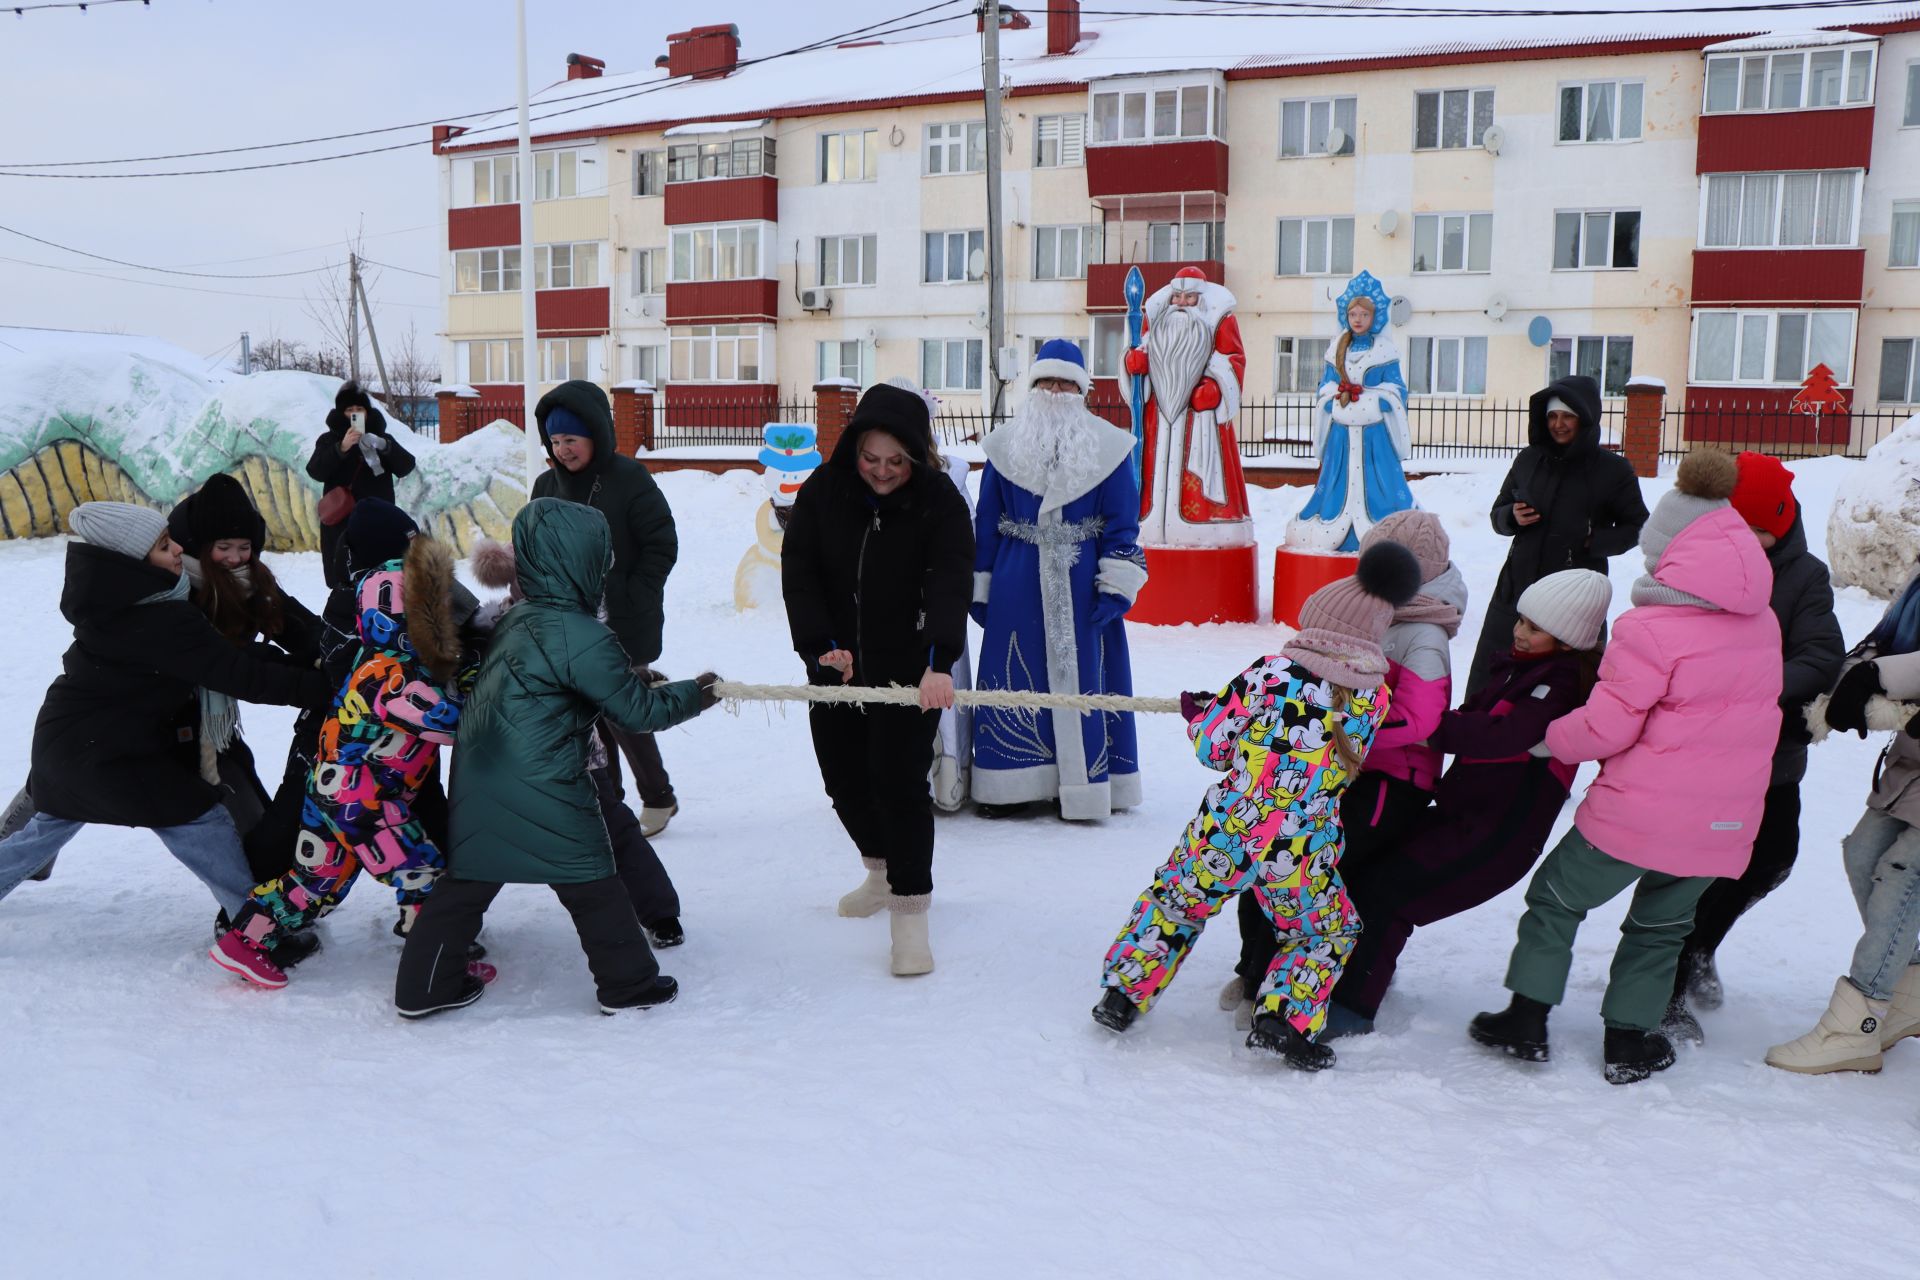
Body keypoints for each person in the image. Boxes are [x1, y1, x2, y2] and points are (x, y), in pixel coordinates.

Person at [1469, 451, 1781, 1085]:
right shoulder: (1763, 624)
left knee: (1555, 898)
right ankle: (1629, 1041)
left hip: (1639, 811)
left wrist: (1543, 741)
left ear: (1670, 553)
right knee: (1663, 926)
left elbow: (1607, 726)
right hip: (1721, 820)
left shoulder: (1650, 628)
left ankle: (1527, 1018)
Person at [1093, 542, 1421, 1071]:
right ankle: (1281, 1021)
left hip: (1224, 831)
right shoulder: (1374, 699)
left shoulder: (1271, 673)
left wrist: (1200, 715)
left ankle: (1122, 996)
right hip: (1299, 846)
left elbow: (1214, 747)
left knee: (1175, 904)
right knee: (1323, 931)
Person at [394, 499, 720, 1018]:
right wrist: (698, 694)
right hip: (545, 779)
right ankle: (629, 985)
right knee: (593, 883)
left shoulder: (517, 619)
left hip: (481, 776)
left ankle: (422, 989)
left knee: (466, 886)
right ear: (583, 562)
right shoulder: (580, 632)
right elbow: (636, 713)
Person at [0, 502, 327, 920]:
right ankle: (254, 927)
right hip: (106, 756)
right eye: (162, 546)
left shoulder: (131, 602)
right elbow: (241, 675)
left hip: (71, 744)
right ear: (136, 560)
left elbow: (231, 656)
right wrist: (328, 689)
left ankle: (252, 922)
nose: (177, 549)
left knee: (48, 828)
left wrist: (315, 667)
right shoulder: (158, 617)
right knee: (199, 820)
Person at [1325, 569, 1611, 1037]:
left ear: (1568, 640)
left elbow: (1504, 734)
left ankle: (1349, 1010)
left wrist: (1426, 727)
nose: (1519, 631)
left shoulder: (1559, 688)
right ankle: (1358, 975)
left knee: (1388, 894)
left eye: (1534, 629)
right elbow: (1470, 713)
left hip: (1497, 838)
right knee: (1369, 876)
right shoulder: (1519, 669)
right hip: (1462, 818)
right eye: (1520, 620)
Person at [210, 528, 483, 989]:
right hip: (365, 800)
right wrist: (477, 681)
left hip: (334, 790)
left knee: (314, 883)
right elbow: (453, 723)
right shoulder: (391, 677)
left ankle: (244, 942)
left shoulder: (374, 662)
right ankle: (437, 961)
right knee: (422, 873)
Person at [1226, 509, 1466, 1029]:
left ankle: (1296, 984)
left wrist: (1339, 730)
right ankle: (1256, 970)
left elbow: (1422, 719)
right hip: (1337, 767)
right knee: (1273, 855)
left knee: (1312, 868)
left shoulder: (1425, 634)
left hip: (1389, 782)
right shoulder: (1367, 611)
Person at [781, 383, 973, 976]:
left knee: (899, 785)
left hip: (909, 671)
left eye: (897, 462)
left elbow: (950, 579)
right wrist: (820, 648)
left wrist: (939, 661)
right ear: (854, 448)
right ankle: (881, 874)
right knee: (843, 780)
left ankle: (909, 915)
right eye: (871, 459)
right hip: (837, 668)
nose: (882, 472)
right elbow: (801, 572)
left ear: (916, 456)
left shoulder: (939, 501)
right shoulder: (824, 491)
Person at [1667, 453, 1843, 1042]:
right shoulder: (1698, 563)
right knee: (1693, 866)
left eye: (1758, 531)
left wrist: (1753, 687)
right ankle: (1662, 985)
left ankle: (1698, 947)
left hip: (1772, 752)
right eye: (1736, 529)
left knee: (1772, 860)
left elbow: (1820, 657)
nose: (1748, 542)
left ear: (1782, 521)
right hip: (1707, 751)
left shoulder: (1804, 577)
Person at [468, 535, 688, 950]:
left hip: (576, 763)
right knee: (482, 851)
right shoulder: (496, 633)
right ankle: (452, 931)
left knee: (615, 830)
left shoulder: (580, 632)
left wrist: (633, 682)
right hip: (512, 768)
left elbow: (610, 690)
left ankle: (660, 914)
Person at [970, 339, 1146, 820]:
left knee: (1086, 678)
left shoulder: (1110, 448)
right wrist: (980, 586)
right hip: (1016, 581)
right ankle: (1011, 786)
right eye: (1046, 380)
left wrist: (1115, 585)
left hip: (1082, 581)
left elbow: (1123, 525)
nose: (1055, 390)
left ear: (1082, 389)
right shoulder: (1003, 448)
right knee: (1014, 673)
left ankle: (1087, 783)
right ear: (1031, 386)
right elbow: (986, 521)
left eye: (1066, 382)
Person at [1763, 568, 1920, 1074]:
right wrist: (1852, 675)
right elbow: (1888, 637)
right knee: (1864, 854)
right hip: (1913, 758)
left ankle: (1857, 1024)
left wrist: (1878, 679)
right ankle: (1910, 988)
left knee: (1903, 875)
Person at [531, 379, 683, 838]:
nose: (563, 450)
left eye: (571, 440)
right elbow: (533, 547)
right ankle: (609, 801)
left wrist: (632, 594)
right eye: (555, 442)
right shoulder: (545, 484)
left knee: (624, 713)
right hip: (568, 621)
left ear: (595, 434)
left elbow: (662, 543)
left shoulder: (628, 478)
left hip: (624, 622)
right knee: (588, 717)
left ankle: (658, 798)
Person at [1467, 374, 1647, 695]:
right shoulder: (1529, 459)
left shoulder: (1613, 470)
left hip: (1574, 598)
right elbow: (1498, 513)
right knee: (1493, 684)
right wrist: (1512, 516)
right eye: (1552, 416)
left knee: (1565, 692)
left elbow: (1638, 526)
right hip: (1516, 593)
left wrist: (1596, 541)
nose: (1558, 424)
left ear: (1586, 419)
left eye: (1568, 416)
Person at [886, 375, 976, 814]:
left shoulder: (951, 472)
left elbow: (966, 534)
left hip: (938, 600)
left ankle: (945, 780)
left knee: (940, 685)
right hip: (889, 603)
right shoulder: (870, 471)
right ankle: (896, 781)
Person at [1285, 270, 1417, 552]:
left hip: (1375, 434)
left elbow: (1397, 388)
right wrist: (1332, 397)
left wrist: (1380, 400)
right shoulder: (1336, 349)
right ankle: (1332, 519)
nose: (1358, 320)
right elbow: (1325, 384)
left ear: (1375, 317)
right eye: (1353, 314)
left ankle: (1385, 520)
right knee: (1336, 476)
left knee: (1380, 478)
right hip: (1341, 432)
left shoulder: (1385, 350)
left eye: (1364, 315)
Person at [1123, 265, 1254, 544]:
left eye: (1190, 298)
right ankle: (1151, 518)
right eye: (1177, 297)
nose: (1181, 304)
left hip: (1200, 419)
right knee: (1152, 473)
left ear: (1201, 300)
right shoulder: (1154, 321)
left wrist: (1216, 388)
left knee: (1200, 473)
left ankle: (1205, 521)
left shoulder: (1220, 321)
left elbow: (1233, 358)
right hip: (1157, 417)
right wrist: (1133, 364)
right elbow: (1138, 352)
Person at [309, 380, 417, 589]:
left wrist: (385, 447)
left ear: (368, 413)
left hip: (378, 521)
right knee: (344, 580)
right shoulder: (328, 440)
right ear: (341, 413)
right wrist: (341, 448)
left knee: (380, 580)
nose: (355, 414)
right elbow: (315, 470)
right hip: (342, 524)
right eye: (350, 410)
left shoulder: (381, 438)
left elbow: (406, 466)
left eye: (360, 409)